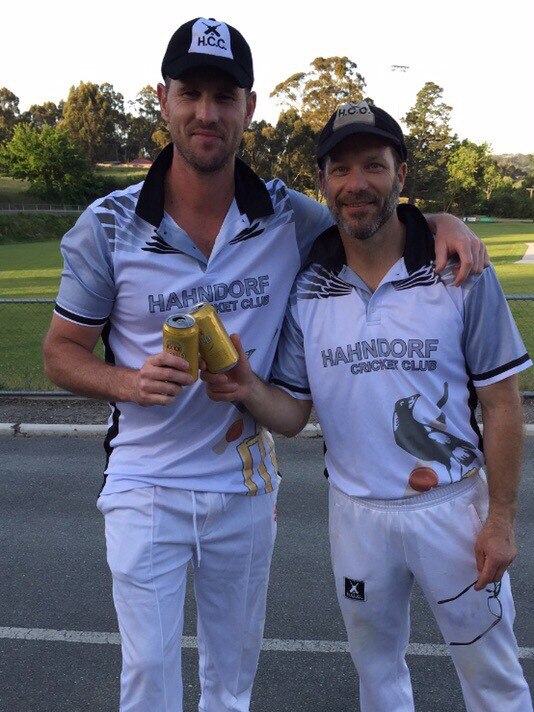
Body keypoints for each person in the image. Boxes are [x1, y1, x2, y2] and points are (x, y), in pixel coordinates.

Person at [43, 16, 488, 712]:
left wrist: (442, 221)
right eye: (191, 93)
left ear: (249, 107)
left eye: (226, 96)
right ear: (163, 100)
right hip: (144, 485)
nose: (206, 113)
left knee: (230, 686)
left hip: (244, 489)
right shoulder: (108, 223)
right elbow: (59, 354)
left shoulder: (289, 216)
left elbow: (366, 209)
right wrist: (127, 380)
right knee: (148, 680)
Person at [202, 101, 533, 711]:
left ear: (400, 173)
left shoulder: (458, 269)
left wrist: (502, 518)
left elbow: (503, 403)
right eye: (340, 169)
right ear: (324, 182)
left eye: (373, 166)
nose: (357, 184)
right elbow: (295, 412)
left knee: (494, 682)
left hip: (452, 508)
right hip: (354, 517)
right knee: (378, 681)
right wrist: (247, 388)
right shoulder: (310, 285)